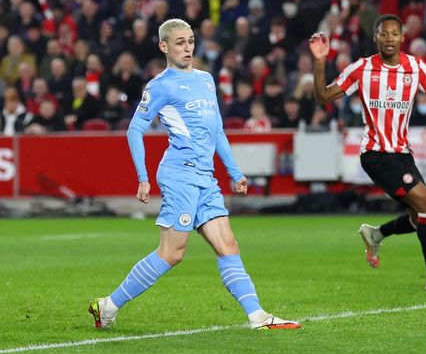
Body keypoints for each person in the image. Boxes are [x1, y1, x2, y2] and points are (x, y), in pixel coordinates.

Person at [88, 19, 300, 331]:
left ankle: (257, 316)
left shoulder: (206, 79)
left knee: (228, 245)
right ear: (164, 47)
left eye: (190, 41)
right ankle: (109, 305)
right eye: (180, 42)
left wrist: (235, 171)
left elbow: (217, 131)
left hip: (205, 177)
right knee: (173, 253)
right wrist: (143, 177)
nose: (188, 47)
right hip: (179, 175)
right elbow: (134, 130)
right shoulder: (160, 86)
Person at [309, 14, 426, 290]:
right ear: (375, 37)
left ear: (403, 38)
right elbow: (323, 96)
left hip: (403, 154)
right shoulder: (362, 69)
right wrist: (320, 63)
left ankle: (376, 235)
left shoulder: (416, 67)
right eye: (384, 33)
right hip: (376, 154)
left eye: (394, 34)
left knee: (419, 216)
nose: (389, 38)